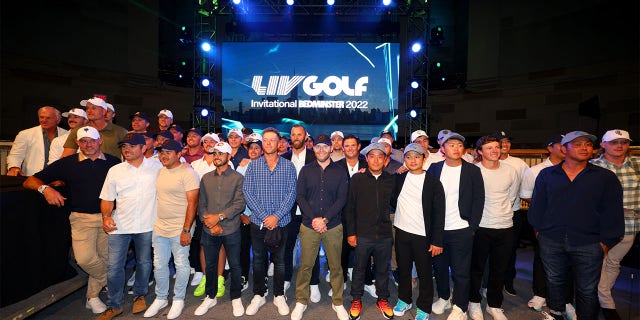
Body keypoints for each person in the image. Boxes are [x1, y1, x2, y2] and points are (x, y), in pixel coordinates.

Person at [23, 126, 120, 314]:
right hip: (81, 218)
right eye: (83, 141)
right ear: (77, 143)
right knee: (85, 259)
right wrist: (46, 189)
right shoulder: (67, 163)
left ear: (100, 140)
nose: (88, 144)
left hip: (108, 218)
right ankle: (113, 281)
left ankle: (92, 297)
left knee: (106, 258)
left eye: (92, 140)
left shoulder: (114, 162)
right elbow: (30, 181)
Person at [528, 131, 624, 320]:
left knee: (587, 289)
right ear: (564, 149)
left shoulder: (604, 177)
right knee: (554, 282)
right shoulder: (547, 174)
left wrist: (605, 243)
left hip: (589, 243)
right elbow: (537, 206)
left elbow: (613, 213)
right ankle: (557, 314)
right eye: (578, 144)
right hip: (551, 240)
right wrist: (540, 233)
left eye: (588, 144)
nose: (584, 147)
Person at [97, 133, 162, 320]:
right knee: (114, 266)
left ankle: (139, 295)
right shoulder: (115, 170)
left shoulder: (158, 168)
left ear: (143, 148)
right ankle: (114, 304)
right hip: (120, 226)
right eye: (124, 146)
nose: (127, 149)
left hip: (148, 225)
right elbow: (107, 198)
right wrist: (106, 217)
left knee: (144, 262)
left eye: (132, 146)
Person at [291, 134, 350, 320]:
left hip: (333, 226)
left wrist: (325, 219)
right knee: (305, 266)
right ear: (313, 148)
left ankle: (338, 302)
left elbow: (342, 198)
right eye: (318, 147)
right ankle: (301, 300)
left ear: (331, 148)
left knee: (336, 267)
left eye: (325, 146)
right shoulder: (306, 170)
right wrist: (315, 219)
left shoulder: (340, 171)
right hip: (309, 226)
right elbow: (300, 196)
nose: (322, 150)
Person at [427, 132, 485, 320]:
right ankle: (444, 297)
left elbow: (479, 200)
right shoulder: (434, 169)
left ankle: (460, 306)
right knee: (440, 268)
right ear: (442, 149)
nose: (456, 148)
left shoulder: (472, 170)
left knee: (461, 271)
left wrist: (472, 227)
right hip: (438, 230)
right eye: (451, 145)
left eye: (459, 145)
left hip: (462, 229)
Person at [242, 127, 297, 316]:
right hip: (259, 222)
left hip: (282, 222)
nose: (268, 143)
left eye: (272, 140)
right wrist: (266, 216)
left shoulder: (288, 166)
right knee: (258, 260)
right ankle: (259, 294)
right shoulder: (253, 166)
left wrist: (276, 216)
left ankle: (279, 295)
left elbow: (292, 194)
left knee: (280, 261)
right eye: (265, 140)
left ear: (279, 143)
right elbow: (247, 193)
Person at [520, 135, 576, 317]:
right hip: (545, 223)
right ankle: (540, 293)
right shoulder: (536, 171)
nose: (564, 148)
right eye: (560, 145)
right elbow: (526, 194)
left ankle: (566, 300)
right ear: (550, 148)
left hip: (572, 225)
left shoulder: (578, 170)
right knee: (542, 259)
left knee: (569, 261)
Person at [143, 139, 199, 319]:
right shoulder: (160, 171)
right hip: (160, 226)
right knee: (159, 264)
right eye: (161, 152)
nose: (163, 155)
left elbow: (193, 203)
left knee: (181, 264)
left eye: (168, 152)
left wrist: (186, 230)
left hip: (180, 227)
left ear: (179, 154)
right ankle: (161, 298)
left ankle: (179, 299)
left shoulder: (188, 173)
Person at [391, 143, 446, 320]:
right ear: (404, 159)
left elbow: (439, 214)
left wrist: (437, 240)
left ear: (424, 158)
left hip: (423, 235)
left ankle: (424, 306)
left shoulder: (433, 182)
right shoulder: (399, 178)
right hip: (402, 232)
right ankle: (404, 299)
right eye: (408, 157)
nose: (413, 160)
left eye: (417, 156)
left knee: (424, 273)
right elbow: (389, 196)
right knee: (404, 270)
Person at [467, 135, 520, 320]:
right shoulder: (473, 171)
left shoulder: (511, 170)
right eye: (489, 148)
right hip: (481, 227)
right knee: (476, 268)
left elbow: (512, 197)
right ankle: (473, 302)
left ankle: (494, 304)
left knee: (500, 268)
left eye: (497, 147)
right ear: (480, 152)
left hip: (505, 226)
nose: (495, 150)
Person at [194, 141, 247, 317]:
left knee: (235, 264)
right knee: (210, 264)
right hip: (210, 229)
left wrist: (220, 217)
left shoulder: (238, 178)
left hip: (231, 229)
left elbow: (239, 204)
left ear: (229, 156)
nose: (217, 156)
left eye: (221, 153)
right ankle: (210, 296)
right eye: (215, 153)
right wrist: (210, 222)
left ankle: (236, 297)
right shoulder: (206, 178)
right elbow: (201, 204)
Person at [591, 129, 639, 320]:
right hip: (600, 224)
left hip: (630, 224)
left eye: (624, 142)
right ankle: (607, 303)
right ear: (603, 145)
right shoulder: (593, 165)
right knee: (598, 262)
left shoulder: (636, 164)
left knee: (613, 263)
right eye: (614, 142)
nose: (619, 146)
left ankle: (599, 297)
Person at [345, 142, 396, 320]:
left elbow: (398, 203)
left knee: (383, 269)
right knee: (359, 269)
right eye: (372, 156)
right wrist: (351, 233)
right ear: (366, 159)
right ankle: (356, 299)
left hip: (383, 235)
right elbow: (349, 208)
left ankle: (382, 299)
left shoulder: (391, 180)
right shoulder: (357, 179)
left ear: (386, 160)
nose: (376, 160)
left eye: (380, 156)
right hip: (362, 234)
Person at [281, 124, 322, 301]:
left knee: (311, 249)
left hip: (310, 211)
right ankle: (285, 278)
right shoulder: (283, 158)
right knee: (286, 248)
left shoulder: (316, 157)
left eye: (300, 134)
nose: (296, 137)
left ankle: (313, 283)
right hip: (287, 212)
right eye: (293, 134)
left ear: (306, 137)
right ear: (290, 137)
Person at [491, 131, 529, 296]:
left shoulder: (519, 164)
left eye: (507, 142)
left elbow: (527, 184)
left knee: (510, 249)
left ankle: (508, 281)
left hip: (512, 213)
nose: (505, 145)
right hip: (489, 214)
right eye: (501, 142)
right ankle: (488, 282)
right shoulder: (485, 163)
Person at [236, 133, 264, 292]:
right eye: (251, 148)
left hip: (260, 217)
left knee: (260, 252)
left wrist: (255, 215)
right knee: (243, 249)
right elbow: (238, 193)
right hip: (244, 216)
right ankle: (244, 276)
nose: (253, 150)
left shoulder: (266, 165)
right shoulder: (242, 166)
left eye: (257, 148)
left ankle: (262, 280)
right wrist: (242, 214)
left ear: (261, 150)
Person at [7, 106, 67, 176]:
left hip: (58, 178)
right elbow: (16, 155)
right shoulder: (25, 134)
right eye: (41, 117)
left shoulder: (66, 134)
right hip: (32, 177)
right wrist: (14, 167)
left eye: (48, 118)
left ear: (58, 120)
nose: (44, 120)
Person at [61, 97, 128, 159]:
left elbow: (129, 156)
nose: (89, 111)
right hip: (86, 170)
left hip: (112, 170)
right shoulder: (78, 131)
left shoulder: (120, 132)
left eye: (93, 108)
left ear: (104, 111)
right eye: (87, 108)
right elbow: (66, 157)